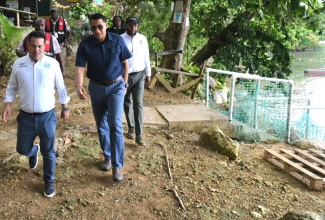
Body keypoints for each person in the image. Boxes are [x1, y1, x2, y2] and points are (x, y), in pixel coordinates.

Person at [2, 31, 70, 198]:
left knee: (49, 152)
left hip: (47, 116)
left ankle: (49, 182)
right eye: (33, 45)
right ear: (28, 45)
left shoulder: (52, 64)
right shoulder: (19, 64)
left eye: (40, 46)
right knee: (22, 148)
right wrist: (8, 105)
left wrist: (65, 106)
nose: (36, 49)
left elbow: (61, 86)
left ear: (45, 46)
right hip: (25, 117)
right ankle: (33, 152)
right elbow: (11, 87)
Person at [74, 13, 131, 182]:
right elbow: (79, 67)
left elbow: (125, 62)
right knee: (101, 125)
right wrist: (79, 86)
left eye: (100, 26)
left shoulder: (117, 40)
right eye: (93, 28)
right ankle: (107, 156)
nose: (97, 30)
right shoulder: (85, 45)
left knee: (115, 124)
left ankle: (117, 165)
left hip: (116, 87)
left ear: (106, 25)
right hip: (97, 88)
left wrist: (125, 83)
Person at [121, 16, 151, 146]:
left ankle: (139, 134)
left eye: (136, 25)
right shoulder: (120, 39)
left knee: (138, 103)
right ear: (126, 25)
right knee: (127, 102)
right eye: (131, 25)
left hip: (139, 75)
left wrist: (148, 73)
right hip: (125, 76)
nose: (134, 27)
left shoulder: (142, 39)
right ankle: (131, 128)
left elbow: (146, 56)